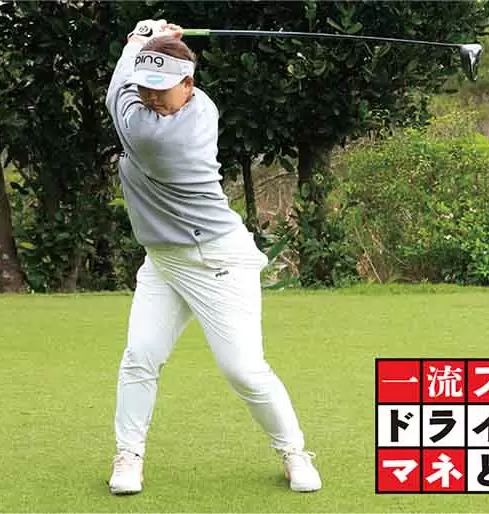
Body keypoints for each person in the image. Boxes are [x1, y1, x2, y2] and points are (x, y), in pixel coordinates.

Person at [104, 19, 322, 495]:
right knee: (140, 356)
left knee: (243, 369)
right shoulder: (186, 103)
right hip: (163, 260)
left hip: (215, 259)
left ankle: (293, 451)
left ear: (189, 84)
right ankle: (128, 455)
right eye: (145, 86)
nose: (152, 97)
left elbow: (116, 88)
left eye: (162, 87)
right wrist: (157, 45)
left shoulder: (155, 134)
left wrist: (138, 40)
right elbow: (130, 82)